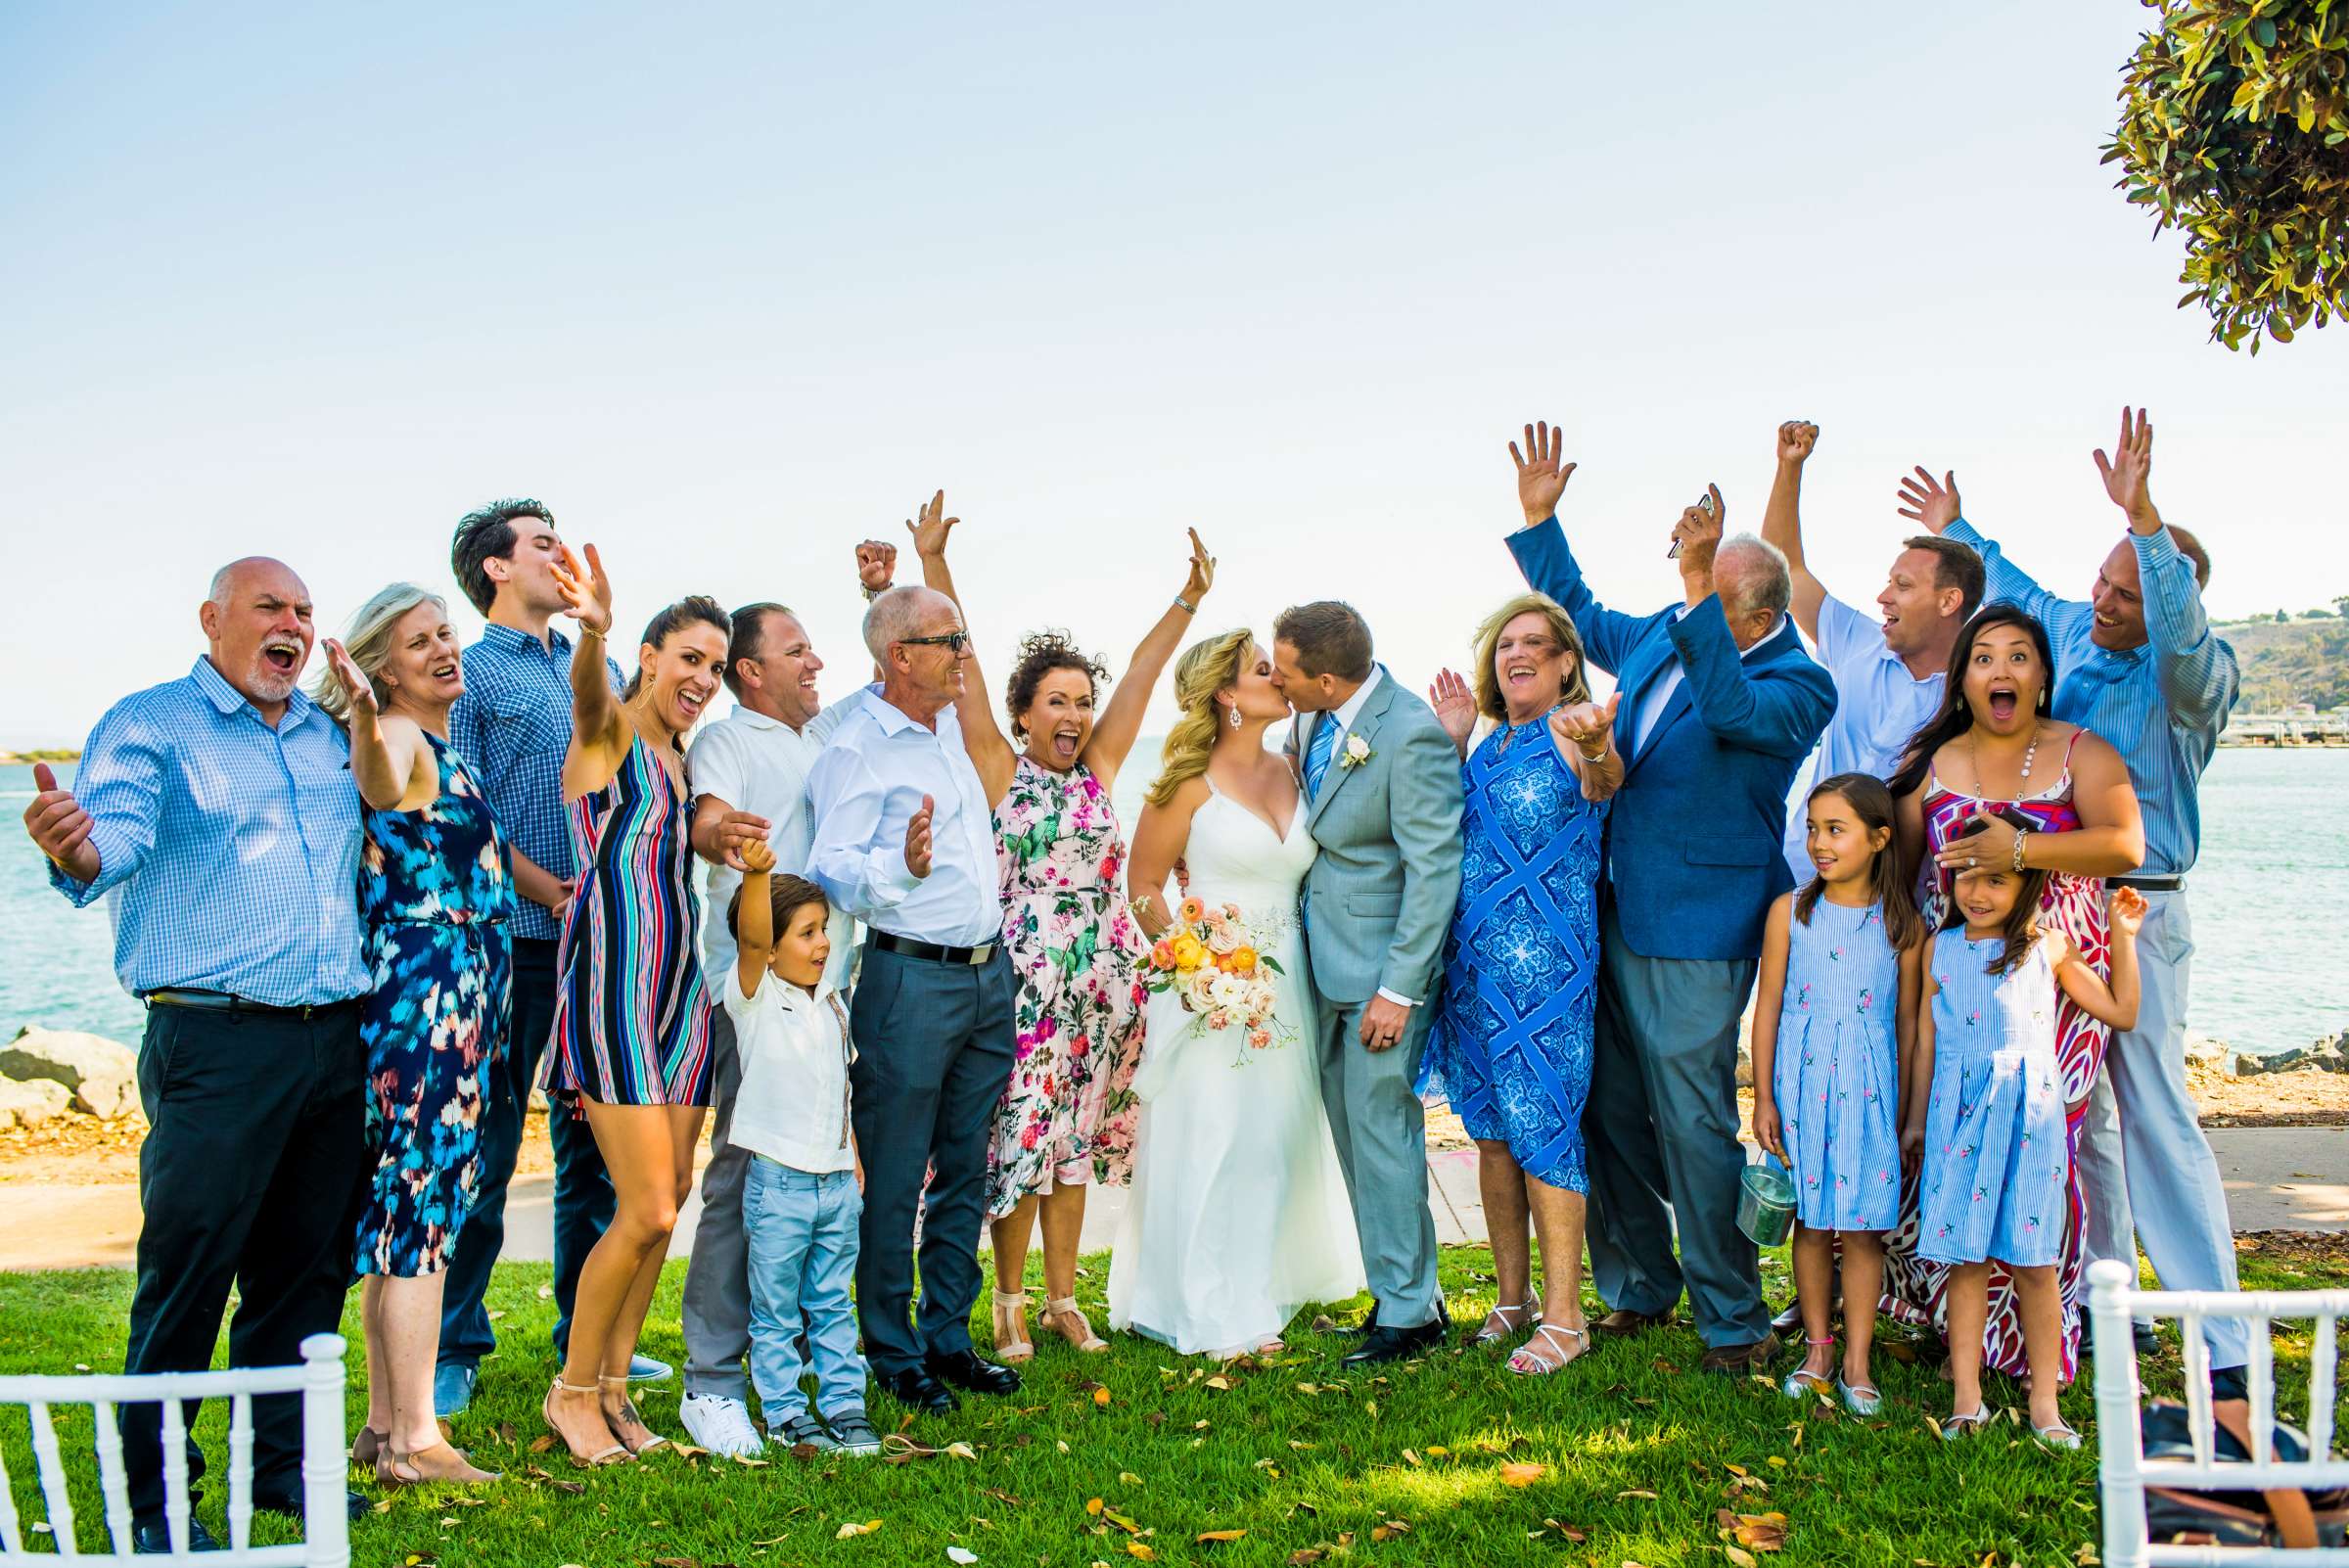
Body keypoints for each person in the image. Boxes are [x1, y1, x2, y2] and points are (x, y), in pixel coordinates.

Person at [23, 558, 369, 1551]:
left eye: (304, 611)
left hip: (333, 1041)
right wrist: (71, 845)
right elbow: (108, 845)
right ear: (213, 619)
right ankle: (157, 1501)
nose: (292, 626)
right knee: (189, 1281)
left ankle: (279, 1476)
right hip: (214, 1043)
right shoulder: (151, 723)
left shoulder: (326, 737)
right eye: (271, 608)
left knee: (304, 1280)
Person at [1903, 407, 2247, 1390]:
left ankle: (2221, 1348)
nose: (2102, 601)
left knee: (2153, 1117)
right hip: (2043, 914)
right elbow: (2012, 593)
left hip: (2134, 907)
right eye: (2102, 578)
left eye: (2126, 592)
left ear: (2169, 603)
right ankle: (2106, 1312)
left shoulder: (2192, 678)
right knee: (2082, 1122)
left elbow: (2180, 635)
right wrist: (1960, 528)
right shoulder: (2071, 632)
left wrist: (2146, 521)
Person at [1502, 421, 1835, 1375]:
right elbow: (1579, 609)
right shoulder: (1661, 634)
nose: (1686, 603)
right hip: (1606, 909)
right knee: (1605, 1108)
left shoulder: (1798, 684)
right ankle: (1641, 1285)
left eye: (1708, 595)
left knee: (1691, 1121)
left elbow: (1729, 712)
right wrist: (1542, 521)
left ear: (1755, 610)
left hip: (1701, 929)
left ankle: (1734, 1317)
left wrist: (1695, 591)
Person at [908, 509, 1215, 1362]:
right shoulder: (1000, 770)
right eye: (1057, 702)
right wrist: (935, 559)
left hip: (1106, 985)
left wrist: (1187, 600)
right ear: (1022, 714)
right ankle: (1006, 1303)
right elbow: (959, 665)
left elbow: (1145, 680)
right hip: (1026, 986)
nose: (1075, 714)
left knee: (1074, 1143)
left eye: (1083, 700)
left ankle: (1062, 1300)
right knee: (1021, 1137)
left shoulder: (1100, 773)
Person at [1884, 602, 2145, 1380]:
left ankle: (2036, 1335)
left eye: (2020, 656)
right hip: (1956, 971)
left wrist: (2022, 845)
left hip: (2056, 974)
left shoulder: (2083, 751)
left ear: (2041, 676)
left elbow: (2124, 843)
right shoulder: (1930, 762)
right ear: (1963, 679)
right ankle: (1956, 1326)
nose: (2002, 671)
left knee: (2044, 1146)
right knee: (1954, 1133)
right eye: (1985, 658)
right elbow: (1901, 878)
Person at [675, 543, 895, 1459]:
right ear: (749, 671)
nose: (816, 663)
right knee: (739, 1184)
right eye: (798, 650)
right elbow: (706, 812)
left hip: (827, 992)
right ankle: (713, 1382)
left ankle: (806, 1370)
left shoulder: (824, 734)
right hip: (754, 998)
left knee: (809, 1185)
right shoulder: (731, 735)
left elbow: (894, 676)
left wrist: (880, 595)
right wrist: (726, 835)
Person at [440, 498, 656, 1419]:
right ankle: (454, 1344)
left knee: (592, 1159)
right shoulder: (470, 674)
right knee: (485, 1153)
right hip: (516, 945)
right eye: (540, 544)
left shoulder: (595, 663)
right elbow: (461, 806)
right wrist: (542, 888)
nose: (558, 555)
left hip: (599, 948)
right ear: (495, 568)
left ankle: (586, 1335)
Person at [806, 536, 1024, 1417]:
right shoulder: (858, 745)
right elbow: (830, 868)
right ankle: (892, 1352)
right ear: (902, 657)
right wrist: (901, 865)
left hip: (985, 977)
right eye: (951, 641)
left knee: (966, 1169)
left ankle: (950, 1336)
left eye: (964, 639)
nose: (966, 653)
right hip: (909, 983)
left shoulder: (945, 730)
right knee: (897, 1174)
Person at [1108, 629, 1363, 1357]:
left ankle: (1260, 1286)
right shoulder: (1188, 782)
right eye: (1262, 668)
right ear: (1226, 694)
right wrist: (1193, 962)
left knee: (1273, 1138)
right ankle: (1205, 1305)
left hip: (1290, 981)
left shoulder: (1296, 768)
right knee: (1213, 1135)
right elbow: (1144, 887)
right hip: (1210, 988)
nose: (1280, 676)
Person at [318, 585, 509, 1488]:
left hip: (447, 999)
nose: (443, 649)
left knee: (403, 1213)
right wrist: (363, 716)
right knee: (423, 1217)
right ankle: (418, 1442)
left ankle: (381, 1425)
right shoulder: (396, 734)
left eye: (447, 633)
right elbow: (382, 786)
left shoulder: (444, 745)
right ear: (384, 668)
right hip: (430, 1003)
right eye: (419, 641)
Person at [539, 550, 727, 1464]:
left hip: (678, 990)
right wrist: (596, 632)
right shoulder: (607, 729)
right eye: (689, 657)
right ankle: (571, 1392)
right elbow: (584, 698)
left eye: (717, 667)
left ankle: (615, 1389)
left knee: (674, 1196)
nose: (703, 679)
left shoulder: (683, 760)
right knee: (646, 1208)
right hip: (612, 987)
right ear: (649, 658)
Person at [1422, 593, 1623, 1376]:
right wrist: (1451, 742)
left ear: (1567, 660)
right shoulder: (1489, 745)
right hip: (1473, 972)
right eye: (1506, 644)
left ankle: (1566, 1319)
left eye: (1535, 642)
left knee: (1546, 1133)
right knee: (1495, 1136)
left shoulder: (1574, 734)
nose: (1517, 655)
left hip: (1549, 974)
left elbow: (1606, 784)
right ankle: (1514, 1300)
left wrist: (1600, 747)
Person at [1268, 599, 1464, 1367]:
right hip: (1321, 964)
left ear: (1323, 677)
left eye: (1284, 671)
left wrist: (1399, 990)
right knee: (1356, 1138)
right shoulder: (1310, 722)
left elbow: (1433, 870)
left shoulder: (1409, 734)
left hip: (1384, 976)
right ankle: (1401, 1291)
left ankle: (1412, 1315)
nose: (1275, 681)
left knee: (1383, 1133)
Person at [1914, 868, 2144, 1451]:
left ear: (2028, 889)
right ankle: (1967, 1398)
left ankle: (2045, 1400)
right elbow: (1924, 1041)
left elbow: (2121, 1012)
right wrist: (1915, 1120)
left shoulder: (2049, 946)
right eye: (1965, 879)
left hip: (2030, 1121)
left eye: (1995, 881)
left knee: (2035, 1264)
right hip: (1958, 1117)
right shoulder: (1937, 949)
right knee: (1966, 1261)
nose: (1977, 893)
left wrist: (2123, 935)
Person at [1749, 773, 1925, 1415]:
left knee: (1863, 1228)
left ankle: (1857, 1359)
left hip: (1870, 1092)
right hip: (1803, 1086)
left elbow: (1907, 1025)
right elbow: (1767, 1008)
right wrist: (1764, 1097)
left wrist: (1908, 1116)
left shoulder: (1903, 923)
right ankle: (1818, 1348)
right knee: (1812, 1220)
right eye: (1813, 829)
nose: (1820, 843)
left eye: (1835, 830)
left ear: (1879, 838)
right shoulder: (1790, 911)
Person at [1758, 420, 1983, 883]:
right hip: (1796, 883)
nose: (1883, 597)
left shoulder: (1976, 699)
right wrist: (1788, 468)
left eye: (1902, 585)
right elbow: (1784, 567)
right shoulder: (1858, 641)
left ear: (1948, 602)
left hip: (1899, 910)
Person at [723, 841, 882, 1455]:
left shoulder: (833, 1005)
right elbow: (751, 940)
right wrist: (760, 874)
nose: (823, 944)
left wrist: (853, 1159)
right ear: (772, 945)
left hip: (837, 1184)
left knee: (832, 1305)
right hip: (780, 1187)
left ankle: (844, 1405)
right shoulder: (757, 999)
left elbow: (837, 1092)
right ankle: (787, 1411)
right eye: (808, 933)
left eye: (826, 931)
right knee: (777, 1314)